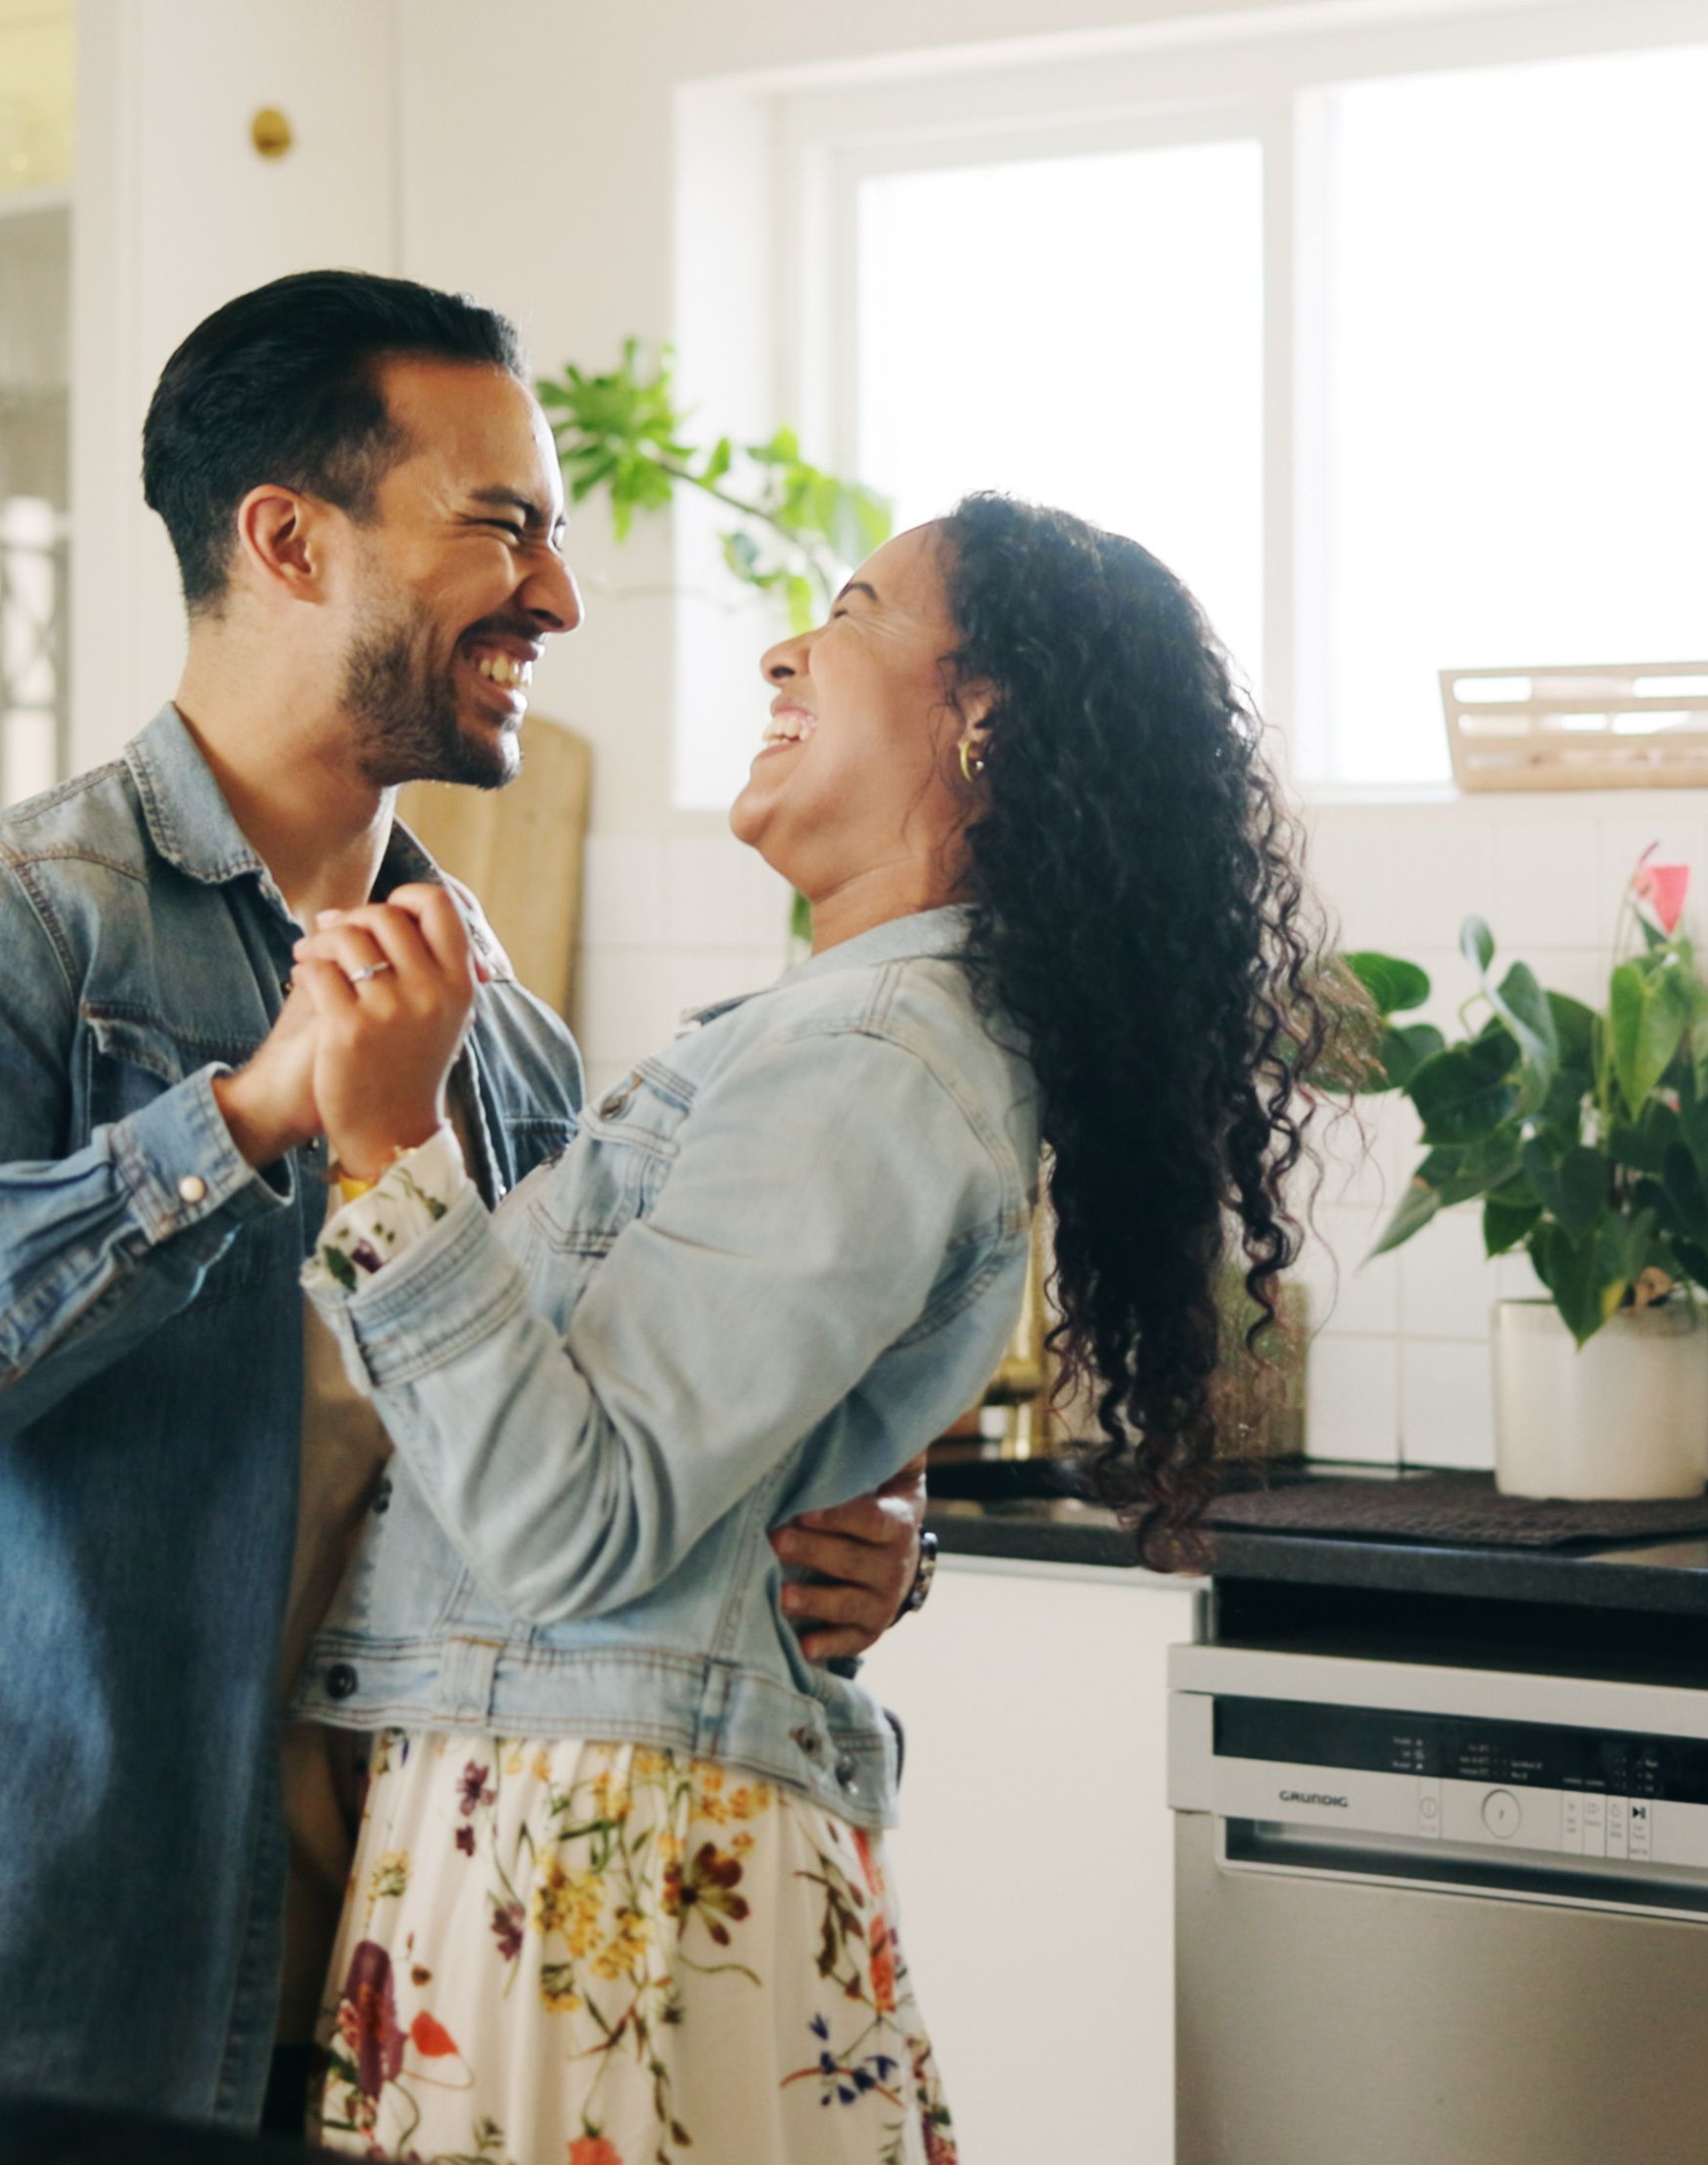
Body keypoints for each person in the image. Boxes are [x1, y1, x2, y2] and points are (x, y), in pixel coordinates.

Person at [0, 270, 929, 2129]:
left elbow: (552, 1487)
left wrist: (831, 1540)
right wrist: (245, 1118)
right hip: (5, 2014)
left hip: (378, 1995)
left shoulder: (500, 1035)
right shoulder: (6, 925)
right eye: (501, 526)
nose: (557, 593)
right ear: (288, 539)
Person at [269, 494, 1328, 2160]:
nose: (782, 648)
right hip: (578, 1823)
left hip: (590, 1851)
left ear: (987, 711)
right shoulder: (855, 1037)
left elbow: (575, 1512)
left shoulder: (873, 1057)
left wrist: (393, 1150)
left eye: (847, 610)